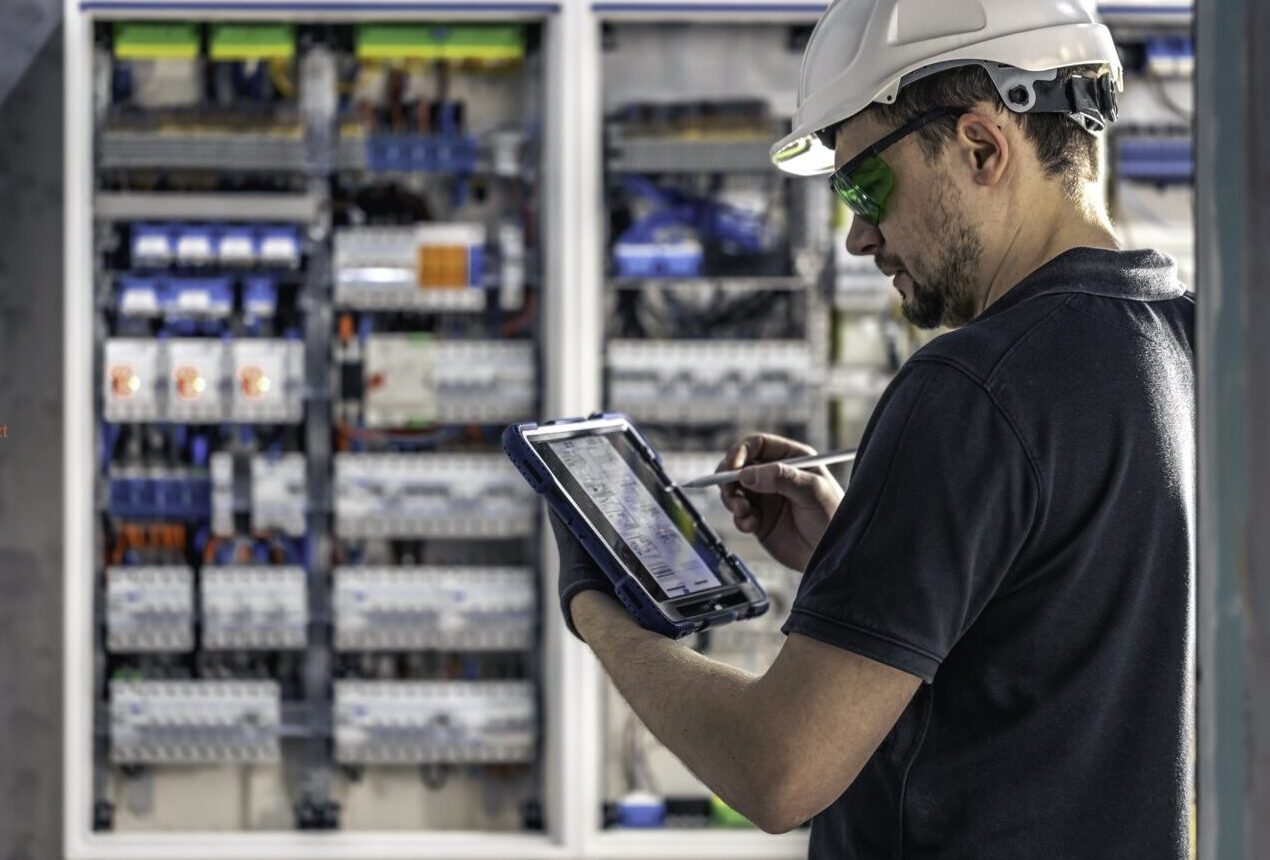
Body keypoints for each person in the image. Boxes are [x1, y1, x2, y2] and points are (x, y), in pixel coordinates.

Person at [552, 0, 1195, 856]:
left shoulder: (970, 386)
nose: (858, 237)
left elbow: (777, 770)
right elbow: (1057, 634)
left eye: (865, 186)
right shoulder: (1188, 339)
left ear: (980, 146)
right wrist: (855, 554)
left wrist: (600, 610)